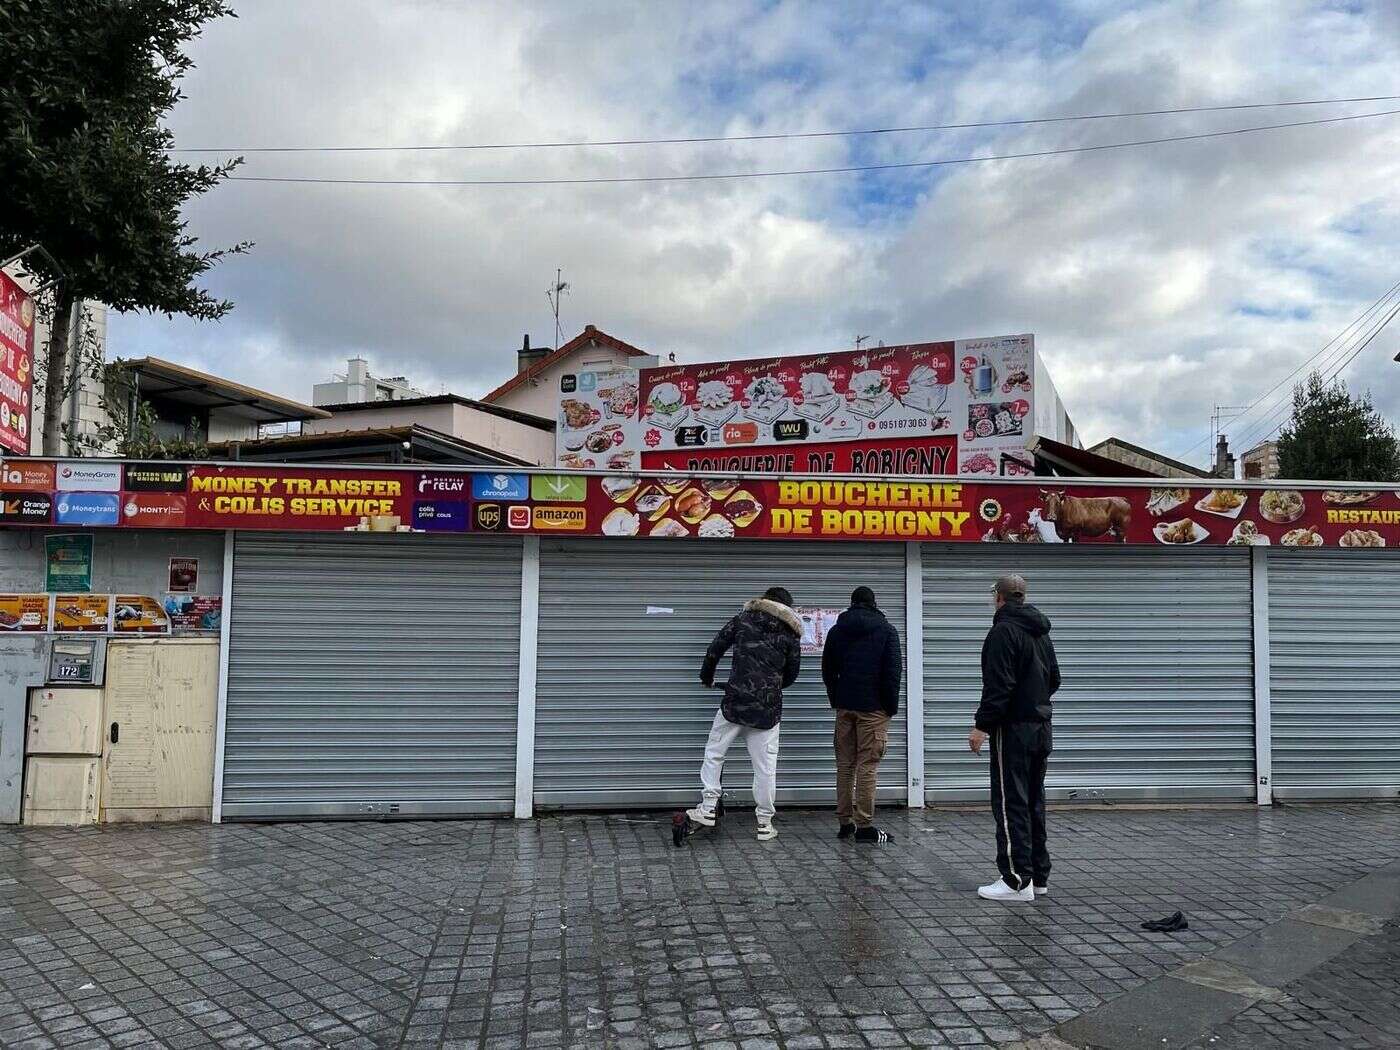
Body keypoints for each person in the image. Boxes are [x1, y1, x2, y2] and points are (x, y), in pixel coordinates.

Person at [968, 573, 1060, 903]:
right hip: (1040, 726)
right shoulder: (1040, 633)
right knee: (1034, 800)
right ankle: (1038, 877)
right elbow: (1055, 679)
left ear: (999, 598)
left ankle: (1016, 880)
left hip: (1014, 730)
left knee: (1010, 803)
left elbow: (998, 687)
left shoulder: (1002, 632)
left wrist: (982, 726)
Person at [688, 586, 802, 841]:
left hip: (735, 702)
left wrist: (707, 677)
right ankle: (764, 823)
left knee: (714, 753)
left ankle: (708, 807)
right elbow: (792, 674)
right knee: (765, 768)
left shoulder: (743, 619)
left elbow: (715, 648)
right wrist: (771, 687)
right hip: (767, 710)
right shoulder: (790, 632)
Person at [822, 586, 902, 844]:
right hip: (874, 708)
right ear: (874, 603)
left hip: (845, 706)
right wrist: (889, 707)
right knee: (868, 765)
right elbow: (892, 673)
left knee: (845, 766)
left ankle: (845, 824)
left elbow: (828, 670)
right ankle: (865, 826)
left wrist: (837, 699)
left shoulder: (837, 630)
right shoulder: (887, 631)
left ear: (852, 604)